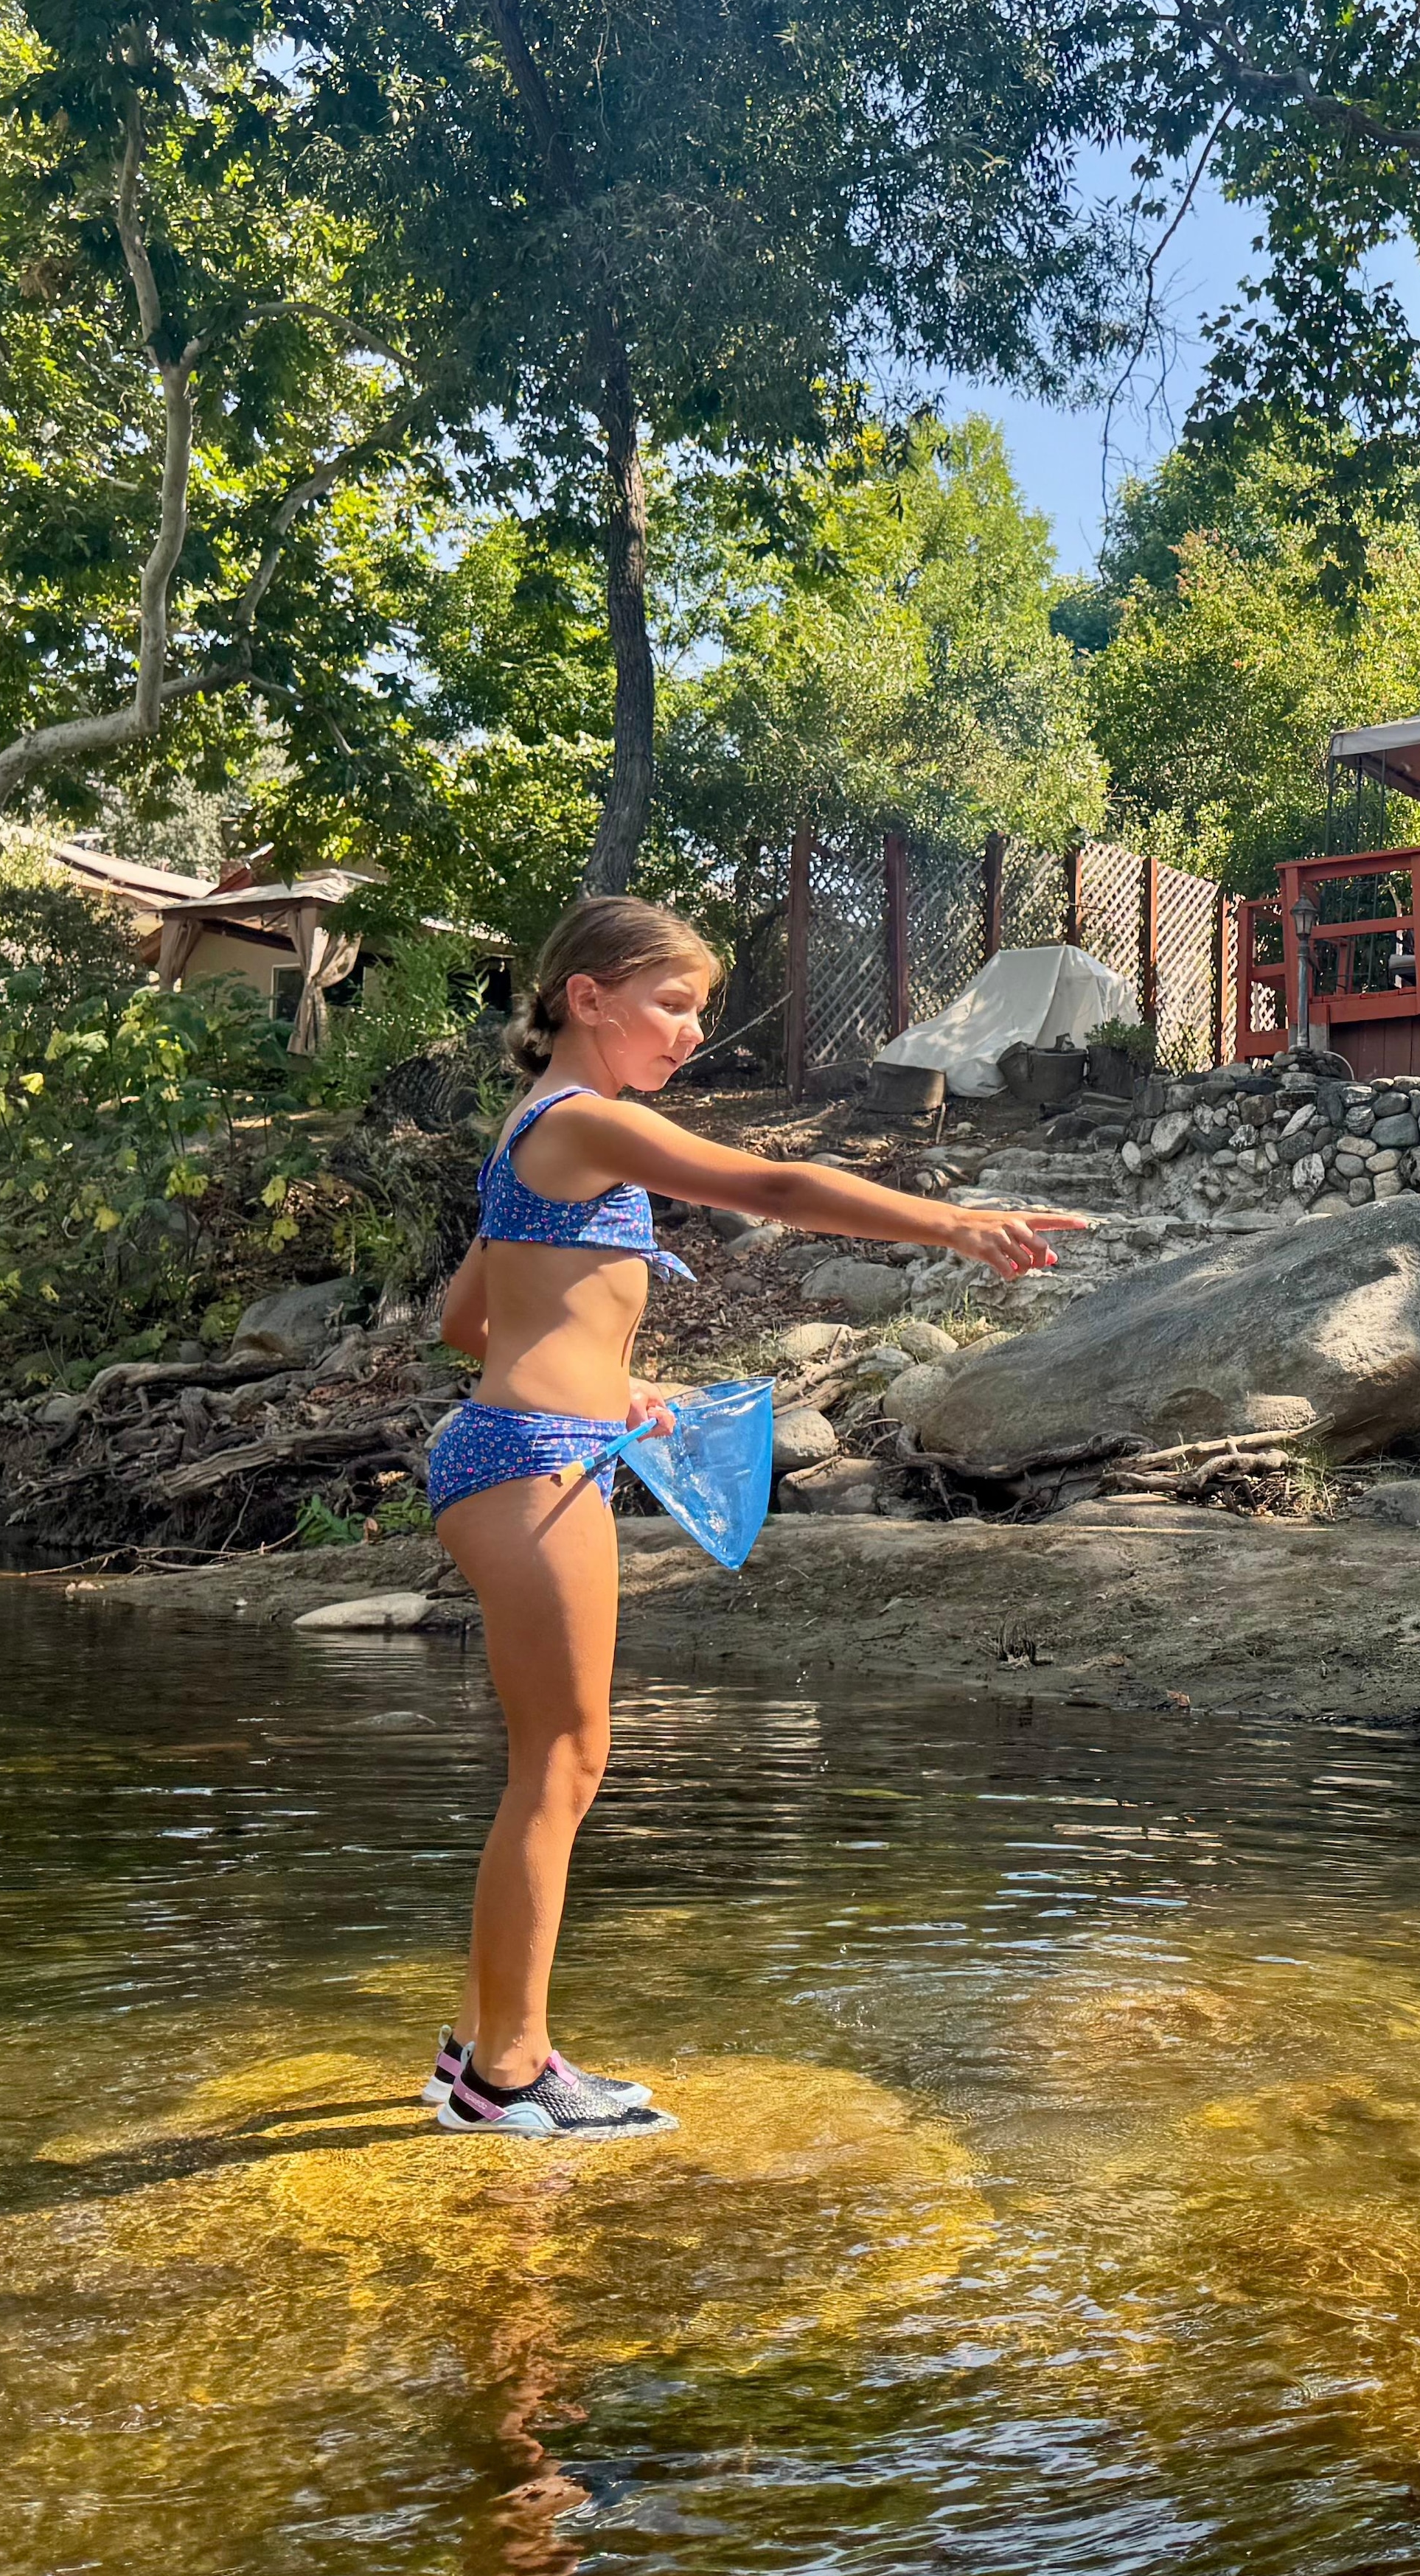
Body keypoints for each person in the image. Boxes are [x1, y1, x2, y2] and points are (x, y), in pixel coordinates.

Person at [420, 896, 1084, 2136]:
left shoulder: (537, 1138)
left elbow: (473, 1323)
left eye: (699, 1011)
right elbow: (775, 1181)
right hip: (534, 1461)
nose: (688, 1033)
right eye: (672, 1004)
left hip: (520, 1446)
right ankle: (508, 2076)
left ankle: (482, 2050)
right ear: (588, 998)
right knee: (564, 1763)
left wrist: (627, 1389)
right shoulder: (586, 1122)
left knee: (553, 1766)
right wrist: (952, 1222)